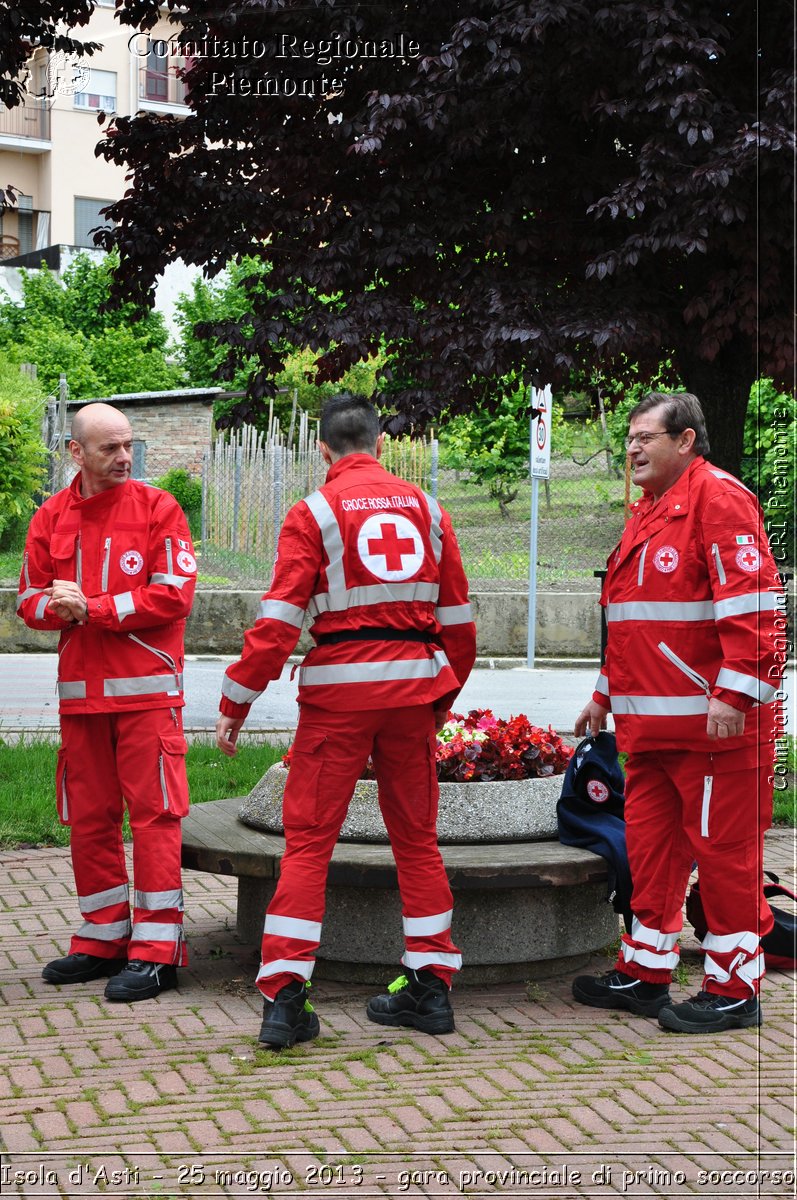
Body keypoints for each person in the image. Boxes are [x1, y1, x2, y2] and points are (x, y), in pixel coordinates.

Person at [216, 393, 476, 1048]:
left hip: (337, 697)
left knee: (308, 843)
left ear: (324, 450)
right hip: (413, 692)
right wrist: (437, 699)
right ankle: (430, 986)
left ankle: (286, 999)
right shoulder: (427, 510)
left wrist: (236, 701)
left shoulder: (314, 512)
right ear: (380, 444)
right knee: (416, 839)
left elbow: (277, 623)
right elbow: (460, 626)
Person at [571, 392, 783, 1033]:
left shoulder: (718, 499)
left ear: (686, 440)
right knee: (653, 854)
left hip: (714, 731)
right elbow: (632, 625)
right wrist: (603, 694)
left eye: (646, 437)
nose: (632, 448)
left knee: (725, 861)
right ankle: (645, 973)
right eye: (630, 438)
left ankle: (736, 990)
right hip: (653, 732)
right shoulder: (649, 512)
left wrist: (735, 693)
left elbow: (756, 608)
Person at [17, 402, 197, 1001]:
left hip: (147, 699)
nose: (124, 458)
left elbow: (173, 595)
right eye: (109, 448)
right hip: (81, 705)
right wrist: (55, 606)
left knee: (154, 820)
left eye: (128, 445)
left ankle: (156, 950)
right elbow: (29, 602)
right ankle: (102, 936)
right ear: (76, 452)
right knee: (89, 820)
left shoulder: (159, 509)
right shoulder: (49, 517)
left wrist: (92, 607)